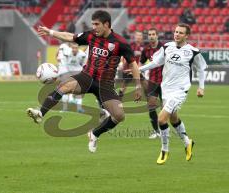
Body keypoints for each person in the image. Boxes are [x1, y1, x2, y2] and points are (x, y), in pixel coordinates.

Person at [27, 10, 142, 153]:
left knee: (119, 116)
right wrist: (50, 32)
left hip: (105, 85)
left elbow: (133, 64)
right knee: (64, 86)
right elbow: (70, 37)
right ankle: (40, 113)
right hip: (86, 77)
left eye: (96, 24)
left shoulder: (121, 43)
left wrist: (138, 86)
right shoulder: (91, 35)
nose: (93, 27)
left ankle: (95, 134)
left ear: (106, 24)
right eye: (92, 24)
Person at [140, 23, 207, 164]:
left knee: (161, 119)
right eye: (176, 32)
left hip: (180, 90)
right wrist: (140, 69)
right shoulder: (167, 47)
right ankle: (188, 142)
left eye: (180, 33)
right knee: (173, 118)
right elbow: (156, 62)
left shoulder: (193, 51)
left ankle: (165, 150)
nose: (177, 34)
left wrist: (201, 87)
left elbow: (201, 69)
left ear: (186, 36)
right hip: (166, 89)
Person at [140, 28, 163, 139]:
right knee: (151, 106)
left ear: (157, 35)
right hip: (153, 81)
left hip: (165, 82)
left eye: (153, 34)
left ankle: (165, 130)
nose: (151, 36)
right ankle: (156, 131)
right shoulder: (146, 50)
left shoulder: (164, 48)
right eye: (149, 34)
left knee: (166, 108)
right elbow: (141, 63)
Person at [57, 42, 87, 113]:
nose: (74, 49)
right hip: (68, 71)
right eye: (73, 48)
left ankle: (79, 108)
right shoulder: (66, 53)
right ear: (71, 48)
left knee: (79, 90)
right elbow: (62, 62)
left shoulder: (82, 55)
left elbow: (84, 64)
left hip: (78, 71)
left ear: (78, 48)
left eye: (76, 48)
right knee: (65, 89)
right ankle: (64, 108)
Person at [119, 30, 144, 97]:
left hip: (138, 67)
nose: (139, 37)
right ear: (135, 36)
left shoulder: (143, 47)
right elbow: (124, 55)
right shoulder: (131, 45)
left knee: (141, 81)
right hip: (129, 67)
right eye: (137, 35)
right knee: (127, 80)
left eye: (140, 35)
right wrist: (122, 63)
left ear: (142, 37)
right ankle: (120, 94)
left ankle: (121, 92)